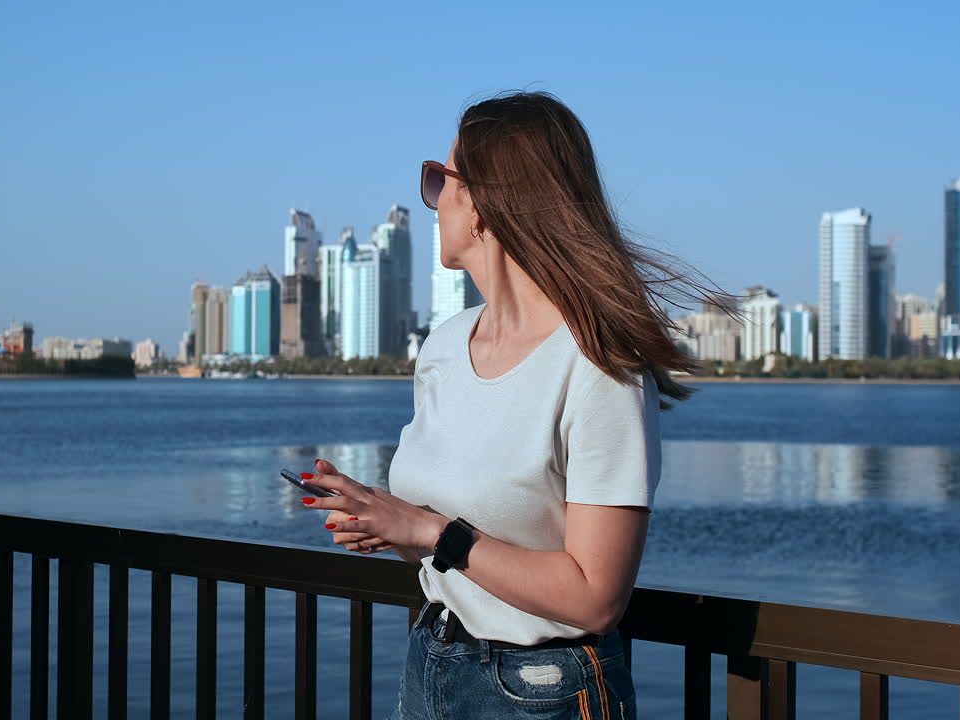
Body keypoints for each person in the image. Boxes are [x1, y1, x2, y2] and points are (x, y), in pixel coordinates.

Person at [300, 91, 722, 719]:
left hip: (545, 689)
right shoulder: (443, 346)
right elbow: (455, 545)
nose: (432, 201)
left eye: (437, 180)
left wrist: (428, 530)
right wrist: (385, 522)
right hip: (433, 662)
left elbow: (596, 597)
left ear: (485, 204)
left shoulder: (598, 363)